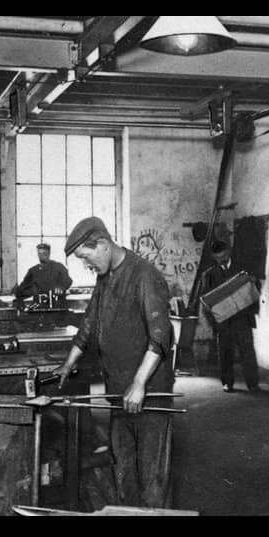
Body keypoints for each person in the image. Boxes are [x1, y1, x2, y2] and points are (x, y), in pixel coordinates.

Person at [52, 217, 175, 508]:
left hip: (148, 394)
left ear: (104, 245)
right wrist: (68, 363)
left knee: (152, 477)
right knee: (124, 472)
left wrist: (139, 383)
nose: (87, 265)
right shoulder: (105, 277)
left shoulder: (145, 276)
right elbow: (89, 323)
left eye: (86, 257)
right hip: (119, 392)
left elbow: (160, 337)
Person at [199, 240, 260, 393]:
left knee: (247, 351)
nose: (222, 260)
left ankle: (252, 383)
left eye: (225, 256)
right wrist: (213, 323)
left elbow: (255, 289)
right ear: (214, 257)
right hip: (223, 322)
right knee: (225, 353)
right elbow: (206, 299)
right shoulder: (209, 275)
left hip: (242, 318)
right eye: (219, 258)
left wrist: (254, 281)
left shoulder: (242, 269)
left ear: (229, 252)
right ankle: (227, 382)